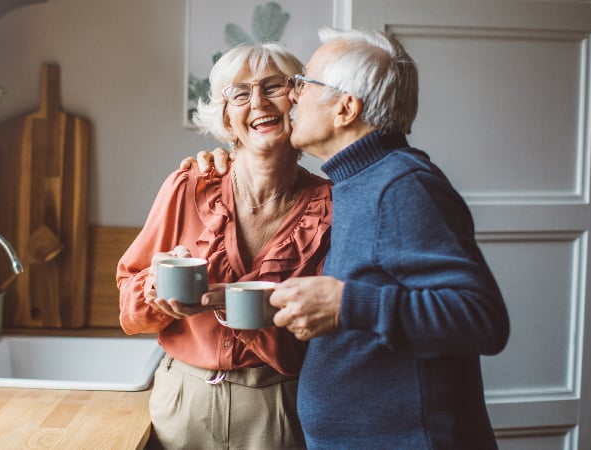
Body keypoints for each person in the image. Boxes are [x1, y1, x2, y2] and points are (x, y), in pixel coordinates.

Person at [187, 28, 511, 449]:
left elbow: (483, 319)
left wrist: (345, 304)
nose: (293, 96)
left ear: (345, 108)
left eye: (304, 83)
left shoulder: (402, 186)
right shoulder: (357, 180)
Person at [117, 41, 332, 449]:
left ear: (298, 100)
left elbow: (329, 336)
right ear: (227, 117)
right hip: (183, 400)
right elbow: (129, 310)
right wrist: (154, 288)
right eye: (240, 93)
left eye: (273, 87)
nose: (257, 102)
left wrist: (232, 303)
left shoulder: (332, 207)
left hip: (280, 404)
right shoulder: (187, 186)